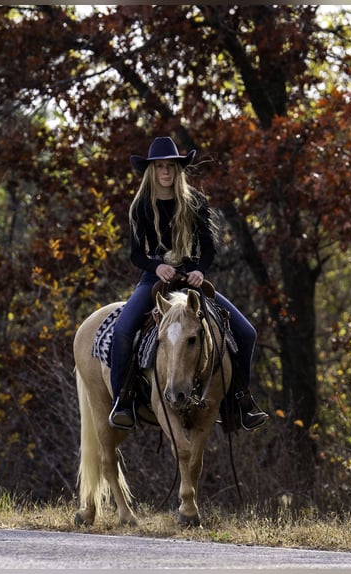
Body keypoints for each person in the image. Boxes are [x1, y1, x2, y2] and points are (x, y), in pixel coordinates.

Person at [108, 136, 268, 432]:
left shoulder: (195, 202)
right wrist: (157, 267)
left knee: (246, 332)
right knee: (123, 330)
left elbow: (208, 248)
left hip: (192, 280)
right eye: (159, 167)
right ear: (151, 171)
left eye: (170, 166)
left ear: (178, 169)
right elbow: (135, 254)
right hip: (155, 279)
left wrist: (198, 270)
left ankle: (239, 403)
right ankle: (123, 400)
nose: (165, 172)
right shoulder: (141, 206)